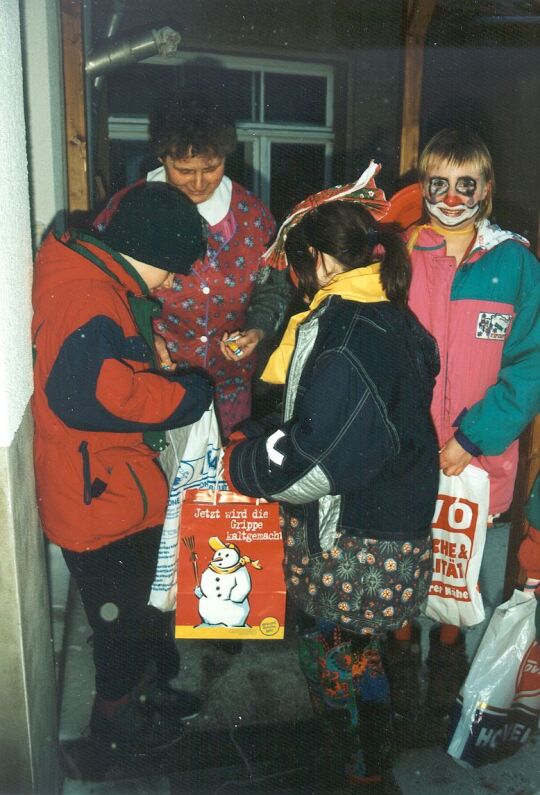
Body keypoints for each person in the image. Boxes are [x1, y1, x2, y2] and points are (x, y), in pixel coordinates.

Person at [221, 176, 440, 789]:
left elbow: (317, 461)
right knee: (357, 649)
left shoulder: (345, 334)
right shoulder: (384, 315)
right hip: (389, 526)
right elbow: (343, 422)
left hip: (356, 539)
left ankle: (358, 772)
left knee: (337, 655)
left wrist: (243, 467)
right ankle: (369, 763)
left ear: (315, 260)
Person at [32, 182, 214, 752]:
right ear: (150, 254)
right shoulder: (91, 296)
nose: (174, 281)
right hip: (96, 502)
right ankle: (111, 728)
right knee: (121, 629)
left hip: (111, 490)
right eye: (173, 269)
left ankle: (146, 693)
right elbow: (84, 395)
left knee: (142, 613)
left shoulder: (98, 282)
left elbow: (107, 368)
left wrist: (147, 365)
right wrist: (181, 397)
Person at [384, 128, 540, 725]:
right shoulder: (391, 256)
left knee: (459, 567)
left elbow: (529, 366)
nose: (451, 197)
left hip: (477, 459)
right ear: (422, 187)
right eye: (438, 184)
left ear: (487, 189)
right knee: (398, 558)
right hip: (402, 451)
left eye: (465, 184)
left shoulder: (517, 265)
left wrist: (473, 437)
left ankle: (445, 674)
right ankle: (399, 666)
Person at [95, 93, 293, 437]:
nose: (199, 183)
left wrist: (258, 329)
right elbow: (100, 289)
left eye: (211, 168)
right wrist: (142, 332)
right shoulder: (127, 210)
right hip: (154, 383)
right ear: (161, 157)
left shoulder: (254, 217)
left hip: (228, 390)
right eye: (184, 170)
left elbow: (272, 287)